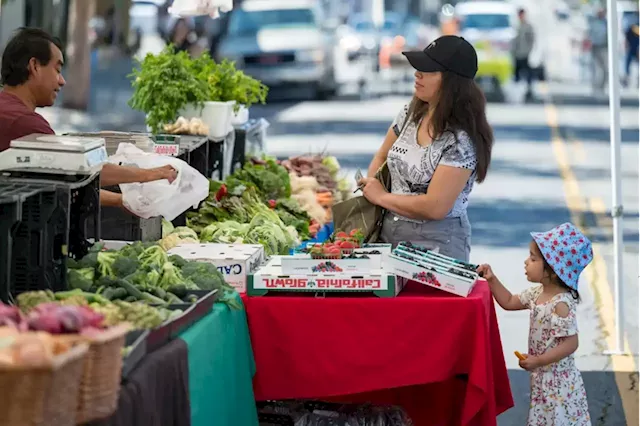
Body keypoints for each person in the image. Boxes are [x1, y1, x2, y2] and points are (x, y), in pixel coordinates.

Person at [0, 27, 177, 211]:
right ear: (35, 66)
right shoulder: (23, 122)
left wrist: (122, 200)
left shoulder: (8, 109)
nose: (62, 80)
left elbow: (67, 184)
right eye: (57, 69)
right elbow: (81, 172)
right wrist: (153, 174)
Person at [358, 35, 493, 261]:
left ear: (452, 82)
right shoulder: (410, 113)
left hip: (438, 246)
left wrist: (380, 197)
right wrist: (373, 186)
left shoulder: (460, 140)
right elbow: (383, 155)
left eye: (429, 70)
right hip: (389, 234)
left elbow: (435, 207)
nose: (417, 74)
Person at [477, 222, 593, 426]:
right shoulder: (537, 293)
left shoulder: (560, 304)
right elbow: (510, 302)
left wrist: (540, 360)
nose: (525, 262)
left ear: (554, 270)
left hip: (559, 383)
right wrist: (492, 279)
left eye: (533, 258)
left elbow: (570, 343)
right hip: (543, 378)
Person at [512, 8, 535, 99]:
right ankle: (516, 93)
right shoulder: (516, 26)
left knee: (527, 72)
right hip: (517, 54)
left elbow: (531, 40)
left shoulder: (528, 27)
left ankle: (529, 90)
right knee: (516, 74)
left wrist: (529, 50)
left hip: (525, 53)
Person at [588, 9, 608, 94]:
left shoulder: (606, 23)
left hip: (604, 47)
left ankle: (602, 87)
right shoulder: (593, 22)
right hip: (595, 47)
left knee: (604, 69)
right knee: (595, 68)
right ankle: (594, 87)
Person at [623, 20, 640, 87]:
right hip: (632, 47)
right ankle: (627, 77)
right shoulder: (633, 21)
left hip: (637, 47)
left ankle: (637, 79)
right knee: (627, 61)